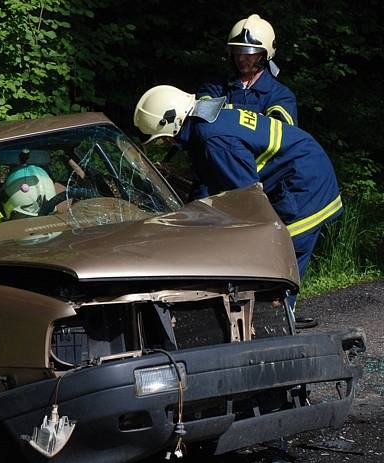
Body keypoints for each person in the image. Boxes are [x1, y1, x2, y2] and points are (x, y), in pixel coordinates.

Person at [134, 85, 342, 327]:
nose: (168, 143)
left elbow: (246, 198)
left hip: (305, 185)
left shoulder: (214, 140)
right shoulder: (208, 123)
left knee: (277, 254)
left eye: (164, 138)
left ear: (173, 121)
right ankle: (272, 319)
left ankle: (274, 324)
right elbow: (212, 179)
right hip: (301, 172)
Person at [198, 14, 297, 126]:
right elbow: (201, 115)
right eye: (236, 51)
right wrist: (257, 118)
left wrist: (224, 110)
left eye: (248, 52)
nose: (240, 58)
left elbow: (283, 134)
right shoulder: (215, 87)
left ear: (265, 54)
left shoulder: (281, 96)